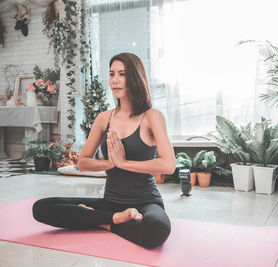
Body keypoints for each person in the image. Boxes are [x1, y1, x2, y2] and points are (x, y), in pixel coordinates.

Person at [32, 52, 176, 249]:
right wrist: (110, 163)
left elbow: (168, 165)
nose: (114, 80)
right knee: (41, 208)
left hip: (146, 202)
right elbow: (83, 163)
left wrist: (124, 163)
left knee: (156, 230)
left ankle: (101, 222)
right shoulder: (104, 118)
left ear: (135, 77)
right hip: (111, 203)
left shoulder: (151, 116)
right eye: (111, 74)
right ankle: (115, 218)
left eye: (122, 74)